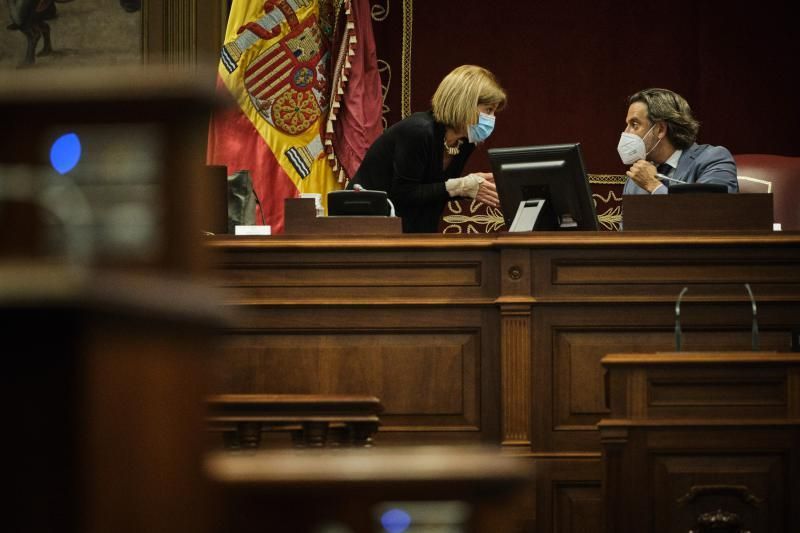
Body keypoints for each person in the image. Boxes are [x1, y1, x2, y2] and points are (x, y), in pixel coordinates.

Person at [348, 65, 507, 233]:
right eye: (488, 110)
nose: (492, 119)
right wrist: (459, 185)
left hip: (414, 231)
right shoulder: (419, 131)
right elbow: (404, 194)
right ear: (465, 103)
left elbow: (435, 191)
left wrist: (471, 187)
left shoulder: (465, 141)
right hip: (366, 227)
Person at [618, 88, 738, 195]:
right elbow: (628, 221)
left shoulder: (712, 159)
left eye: (634, 124)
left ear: (660, 129)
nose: (626, 132)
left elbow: (711, 214)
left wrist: (654, 186)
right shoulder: (636, 178)